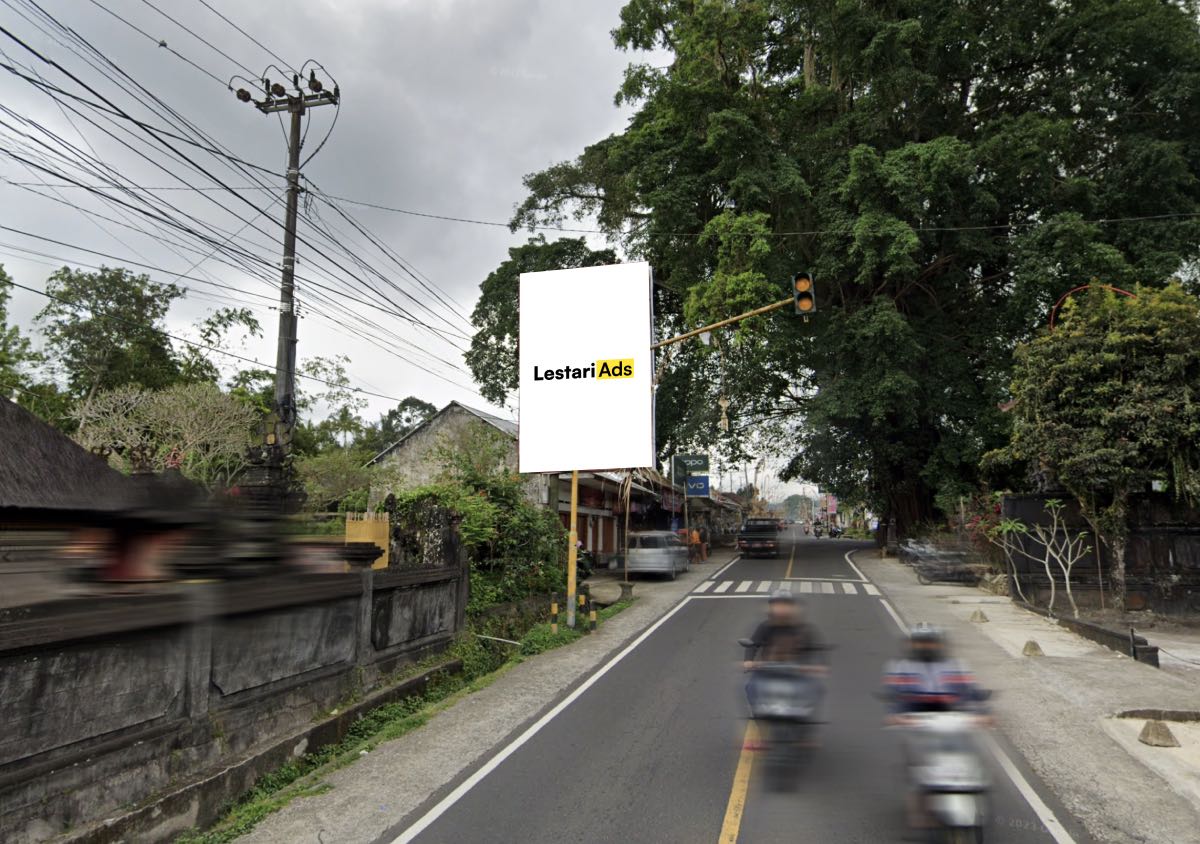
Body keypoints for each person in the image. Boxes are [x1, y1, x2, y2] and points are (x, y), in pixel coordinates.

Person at [882, 624, 989, 827]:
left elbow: (972, 691)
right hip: (915, 720)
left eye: (930, 641)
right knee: (917, 767)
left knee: (971, 756)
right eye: (921, 641)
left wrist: (983, 714)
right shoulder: (900, 667)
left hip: (951, 718)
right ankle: (917, 811)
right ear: (913, 644)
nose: (926, 645)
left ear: (939, 643)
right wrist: (895, 715)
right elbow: (894, 696)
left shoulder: (956, 665)